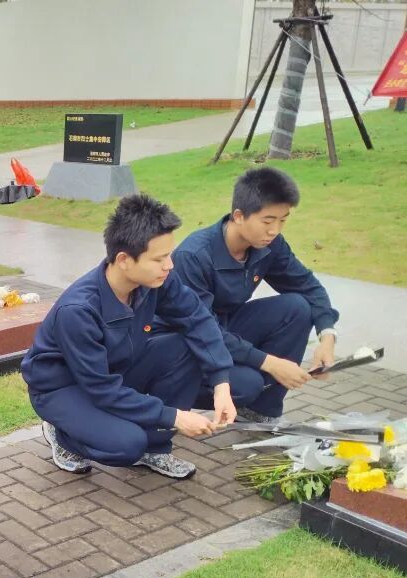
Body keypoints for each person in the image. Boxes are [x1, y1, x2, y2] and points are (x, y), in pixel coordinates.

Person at [22, 194, 237, 480]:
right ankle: (63, 436)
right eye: (159, 258)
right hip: (63, 387)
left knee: (183, 346)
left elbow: (196, 317)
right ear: (124, 259)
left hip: (114, 369)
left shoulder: (155, 279)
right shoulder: (78, 310)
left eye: (169, 255)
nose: (170, 265)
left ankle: (155, 448)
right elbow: (101, 389)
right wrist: (175, 416)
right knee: (127, 444)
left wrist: (221, 383)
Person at [169, 167, 340, 423]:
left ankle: (261, 412)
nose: (275, 230)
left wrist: (327, 336)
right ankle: (165, 396)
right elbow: (202, 330)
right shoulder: (193, 256)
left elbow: (306, 285)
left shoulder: (270, 244)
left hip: (224, 328)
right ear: (239, 216)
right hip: (183, 344)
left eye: (283, 220)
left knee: (297, 307)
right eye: (268, 221)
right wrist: (270, 363)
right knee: (247, 384)